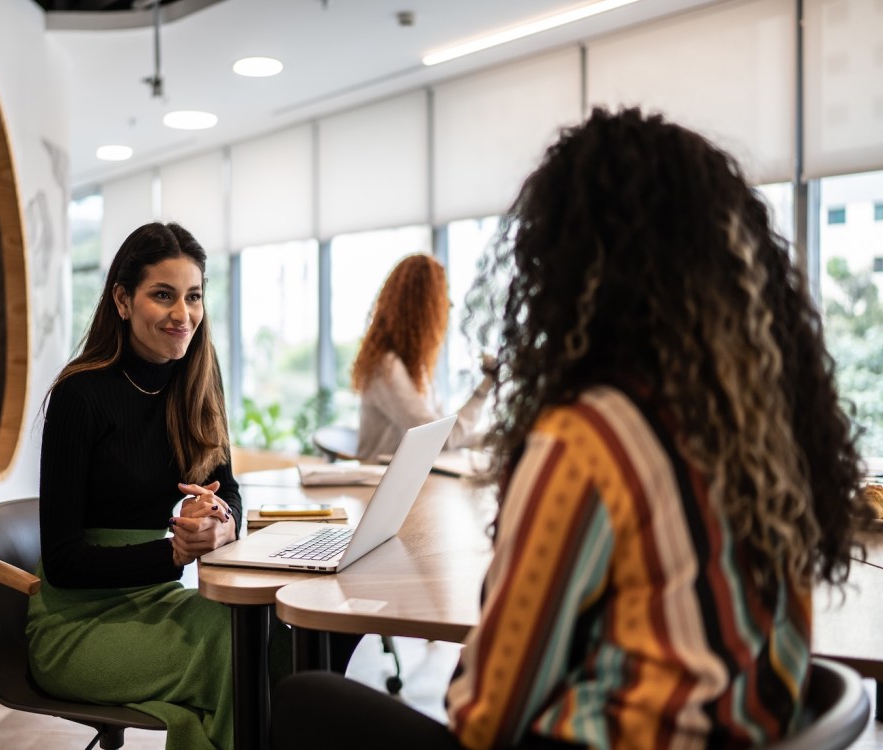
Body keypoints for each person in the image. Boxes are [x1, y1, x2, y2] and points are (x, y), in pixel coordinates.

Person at [271, 107, 871, 749]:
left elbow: (485, 714)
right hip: (737, 730)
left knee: (305, 699)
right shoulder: (753, 428)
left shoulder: (587, 439)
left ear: (565, 270)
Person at [27, 222, 241, 750]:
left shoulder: (196, 381)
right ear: (123, 300)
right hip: (76, 624)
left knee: (270, 637)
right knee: (230, 645)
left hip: (157, 601)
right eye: (162, 295)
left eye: (193, 297)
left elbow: (227, 489)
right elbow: (63, 561)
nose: (183, 314)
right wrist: (171, 555)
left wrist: (217, 522)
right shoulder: (81, 394)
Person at [351, 253, 494, 461]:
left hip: (408, 480)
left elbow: (446, 434)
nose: (449, 304)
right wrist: (483, 390)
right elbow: (440, 440)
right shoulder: (387, 368)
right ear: (424, 307)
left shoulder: (417, 369)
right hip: (381, 485)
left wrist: (493, 438)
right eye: (441, 296)